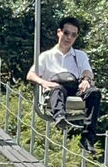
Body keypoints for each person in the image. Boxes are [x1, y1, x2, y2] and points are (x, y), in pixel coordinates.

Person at [26, 16, 101, 154]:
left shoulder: (80, 55)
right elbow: (30, 75)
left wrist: (85, 80)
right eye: (66, 33)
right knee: (57, 88)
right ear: (59, 32)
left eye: (73, 35)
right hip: (56, 87)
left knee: (94, 93)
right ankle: (59, 116)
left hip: (74, 85)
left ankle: (87, 138)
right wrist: (44, 82)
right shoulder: (46, 56)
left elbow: (87, 71)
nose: (69, 38)